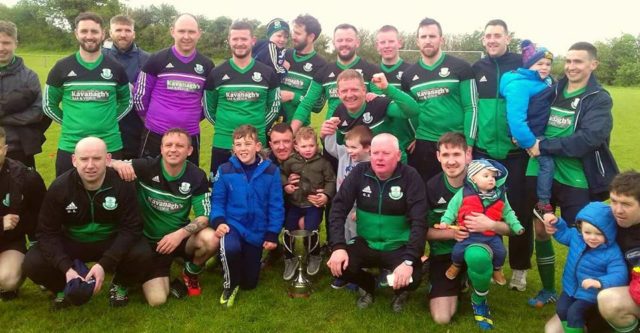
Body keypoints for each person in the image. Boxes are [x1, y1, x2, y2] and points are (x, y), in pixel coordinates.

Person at [526, 42, 618, 309]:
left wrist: (544, 145)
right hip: (544, 174)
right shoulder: (553, 89)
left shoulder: (599, 98)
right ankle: (547, 289)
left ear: (593, 65)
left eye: (578, 61)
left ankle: (586, 294)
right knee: (541, 229)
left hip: (577, 179)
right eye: (568, 61)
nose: (571, 67)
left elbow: (588, 139)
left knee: (584, 237)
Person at [22, 137, 153, 309]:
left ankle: (120, 284)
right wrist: (66, 268)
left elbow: (131, 228)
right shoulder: (59, 187)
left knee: (142, 252)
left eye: (97, 158)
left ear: (107, 159)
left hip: (108, 240)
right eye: (84, 159)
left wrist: (104, 265)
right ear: (74, 160)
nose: (90, 165)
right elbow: (46, 233)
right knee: (33, 261)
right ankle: (62, 287)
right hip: (73, 241)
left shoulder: (122, 185)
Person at [109, 128, 218, 306]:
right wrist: (116, 163)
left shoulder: (196, 176)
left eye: (180, 146)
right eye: (168, 145)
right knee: (157, 300)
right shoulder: (145, 167)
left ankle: (190, 272)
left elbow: (205, 216)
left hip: (177, 239)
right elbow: (105, 164)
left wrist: (179, 235)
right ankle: (125, 279)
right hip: (146, 241)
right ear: (161, 149)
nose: (173, 149)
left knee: (211, 238)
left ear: (189, 151)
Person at [327, 133, 426, 313]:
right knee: (340, 266)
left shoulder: (411, 176)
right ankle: (369, 285)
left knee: (415, 277)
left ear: (398, 155)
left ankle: (401, 292)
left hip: (398, 245)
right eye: (375, 153)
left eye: (386, 153)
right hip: (366, 242)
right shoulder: (359, 172)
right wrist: (338, 246)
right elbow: (338, 208)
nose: (379, 158)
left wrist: (409, 260)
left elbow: (420, 221)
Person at [472, 19, 531, 292]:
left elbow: (542, 98)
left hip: (517, 154)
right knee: (481, 208)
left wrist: (531, 131)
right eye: (488, 36)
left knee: (518, 212)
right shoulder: (476, 68)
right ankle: (482, 262)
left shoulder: (524, 65)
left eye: (497, 35)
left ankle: (519, 269)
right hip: (484, 153)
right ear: (483, 40)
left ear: (508, 37)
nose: (492, 40)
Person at [43, 12, 132, 177]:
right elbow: (49, 104)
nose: (89, 36)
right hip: (71, 146)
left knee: (110, 199)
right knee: (67, 198)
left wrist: (110, 119)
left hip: (109, 145)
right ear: (76, 33)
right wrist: (70, 122)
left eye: (94, 31)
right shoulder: (61, 67)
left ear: (103, 34)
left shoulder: (116, 67)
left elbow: (127, 101)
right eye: (84, 31)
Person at [211, 125, 284, 308]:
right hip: (233, 224)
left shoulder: (271, 171)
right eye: (238, 144)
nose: (243, 148)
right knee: (231, 247)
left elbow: (276, 205)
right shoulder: (225, 169)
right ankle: (229, 284)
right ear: (233, 148)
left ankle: (233, 262)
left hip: (256, 230)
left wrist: (272, 233)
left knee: (250, 284)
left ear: (258, 146)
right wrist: (219, 221)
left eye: (247, 143)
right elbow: (218, 201)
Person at [402, 17, 478, 183]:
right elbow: (410, 111)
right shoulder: (409, 75)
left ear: (441, 39)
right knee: (425, 194)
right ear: (417, 42)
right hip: (424, 144)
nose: (427, 41)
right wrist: (416, 134)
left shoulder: (461, 67)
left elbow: (471, 107)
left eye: (432, 36)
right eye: (423, 37)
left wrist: (469, 144)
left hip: (456, 143)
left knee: (460, 195)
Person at [133, 14, 214, 166]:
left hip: (190, 135)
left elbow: (210, 102)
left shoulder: (207, 65)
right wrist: (153, 120)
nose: (186, 36)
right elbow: (139, 96)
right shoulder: (157, 59)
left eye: (191, 32)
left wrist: (192, 117)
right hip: (156, 133)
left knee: (187, 183)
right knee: (148, 179)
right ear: (172, 31)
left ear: (199, 33)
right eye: (182, 31)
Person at [204, 21, 280, 175]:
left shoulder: (267, 72)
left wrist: (256, 129)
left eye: (244, 39)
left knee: (257, 192)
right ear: (229, 40)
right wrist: (225, 127)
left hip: (256, 144)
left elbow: (274, 107)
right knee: (221, 192)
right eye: (235, 39)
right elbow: (208, 108)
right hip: (224, 143)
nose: (239, 43)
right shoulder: (216, 73)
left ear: (253, 40)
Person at [544, 201, 628, 333]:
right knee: (561, 309)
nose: (592, 238)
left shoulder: (612, 252)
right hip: (571, 287)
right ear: (580, 228)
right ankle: (572, 329)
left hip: (590, 294)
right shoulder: (577, 238)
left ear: (609, 233)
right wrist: (556, 223)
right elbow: (563, 233)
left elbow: (619, 273)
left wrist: (599, 282)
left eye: (599, 234)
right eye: (587, 232)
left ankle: (576, 328)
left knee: (574, 313)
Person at [437, 159, 524, 285]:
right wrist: (445, 221)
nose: (491, 179)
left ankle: (497, 269)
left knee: (501, 252)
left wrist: (517, 226)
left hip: (490, 236)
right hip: (468, 235)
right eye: (486, 176)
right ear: (473, 179)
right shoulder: (463, 193)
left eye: (493, 177)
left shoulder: (500, 195)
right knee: (457, 251)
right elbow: (452, 209)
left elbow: (509, 212)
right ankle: (456, 265)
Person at [290, 23, 380, 133]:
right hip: (331, 136)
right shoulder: (324, 71)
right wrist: (291, 133)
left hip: (363, 140)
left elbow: (380, 104)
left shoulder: (371, 70)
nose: (344, 44)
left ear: (357, 42)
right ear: (334, 43)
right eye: (340, 40)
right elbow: (306, 104)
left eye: (349, 40)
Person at [500, 39, 555, 219]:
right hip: (533, 136)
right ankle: (543, 202)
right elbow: (516, 118)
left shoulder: (545, 81)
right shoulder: (519, 84)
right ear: (530, 64)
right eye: (540, 63)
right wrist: (530, 143)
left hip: (542, 133)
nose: (545, 67)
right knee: (546, 163)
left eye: (548, 64)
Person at [319, 69, 418, 163]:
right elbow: (340, 147)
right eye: (344, 91)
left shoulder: (378, 104)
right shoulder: (339, 112)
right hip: (361, 172)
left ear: (364, 90)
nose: (349, 95)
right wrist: (325, 135)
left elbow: (413, 110)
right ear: (338, 94)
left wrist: (387, 88)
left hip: (393, 170)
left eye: (354, 90)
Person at [424, 132, 471, 324]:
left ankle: (477, 287)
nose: (451, 161)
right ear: (438, 157)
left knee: (479, 258)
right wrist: (452, 233)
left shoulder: (485, 181)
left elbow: (509, 226)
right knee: (442, 318)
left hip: (478, 249)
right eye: (445, 155)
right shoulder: (431, 187)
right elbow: (422, 231)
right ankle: (456, 281)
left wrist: (491, 225)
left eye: (456, 154)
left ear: (467, 154)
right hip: (445, 255)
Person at [280, 126, 336, 280]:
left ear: (316, 146)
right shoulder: (290, 161)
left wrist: (325, 195)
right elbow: (281, 173)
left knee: (312, 229)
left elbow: (331, 180)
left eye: (311, 145)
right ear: (296, 146)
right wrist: (286, 185)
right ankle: (289, 258)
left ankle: (314, 255)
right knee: (288, 228)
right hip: (295, 205)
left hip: (313, 206)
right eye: (304, 146)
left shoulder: (323, 163)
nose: (308, 149)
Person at [0, 127, 46, 300]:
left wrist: (40, 258)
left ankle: (7, 283)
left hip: (8, 243)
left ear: (4, 150)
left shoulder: (25, 177)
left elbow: (39, 217)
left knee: (8, 279)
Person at [324, 124, 372, 289]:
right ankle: (344, 271)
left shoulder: (372, 163)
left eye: (354, 147)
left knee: (358, 241)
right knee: (342, 238)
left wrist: (363, 209)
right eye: (347, 146)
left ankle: (359, 273)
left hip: (360, 212)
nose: (350, 150)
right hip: (343, 208)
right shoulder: (345, 154)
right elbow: (330, 145)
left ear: (367, 148)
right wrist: (329, 128)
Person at [595, 171, 640, 333]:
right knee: (553, 329)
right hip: (617, 287)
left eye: (626, 204)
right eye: (613, 201)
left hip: (631, 293)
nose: (617, 210)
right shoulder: (605, 221)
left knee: (610, 301)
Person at [0, 20, 48, 168]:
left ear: (16, 43)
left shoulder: (29, 77)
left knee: (23, 190)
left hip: (19, 149)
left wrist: (3, 116)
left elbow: (37, 113)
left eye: (6, 42)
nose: (1, 48)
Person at [102, 15, 150, 160]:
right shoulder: (100, 57)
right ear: (110, 33)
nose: (123, 34)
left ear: (134, 33)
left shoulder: (148, 59)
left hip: (137, 128)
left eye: (127, 30)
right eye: (118, 30)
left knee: (134, 174)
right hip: (106, 127)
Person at [374, 25, 418, 163]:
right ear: (377, 46)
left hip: (409, 144)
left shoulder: (412, 71)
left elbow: (422, 105)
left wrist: (420, 135)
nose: (387, 46)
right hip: (380, 146)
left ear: (399, 42)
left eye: (391, 41)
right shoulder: (371, 72)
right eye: (382, 42)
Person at [280, 14, 327, 125]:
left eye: (298, 33)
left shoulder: (321, 65)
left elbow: (318, 106)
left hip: (300, 132)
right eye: (293, 32)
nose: (293, 36)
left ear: (311, 37)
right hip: (273, 130)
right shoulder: (283, 55)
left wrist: (293, 96)